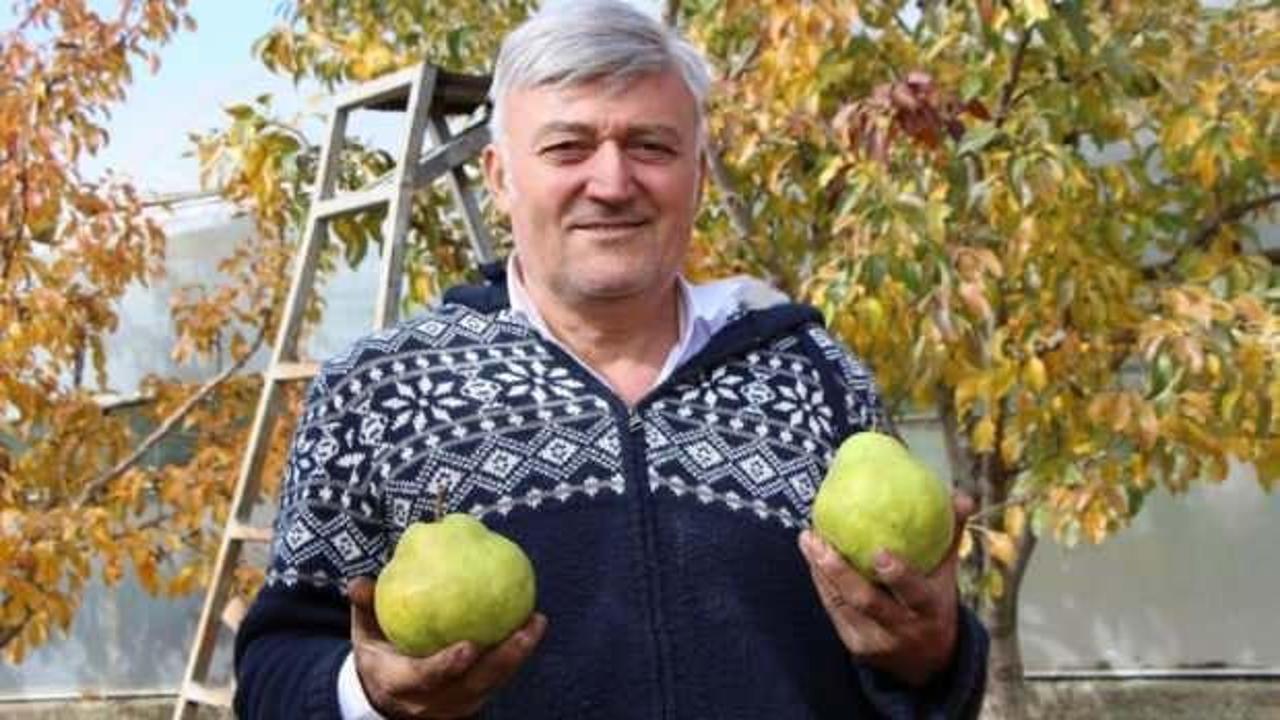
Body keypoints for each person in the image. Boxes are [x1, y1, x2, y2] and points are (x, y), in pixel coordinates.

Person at [232, 1, 989, 718]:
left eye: (651, 146)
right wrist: (371, 694)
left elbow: (922, 666)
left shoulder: (816, 374)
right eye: (568, 147)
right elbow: (274, 668)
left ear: (696, 173)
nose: (612, 182)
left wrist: (937, 652)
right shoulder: (377, 390)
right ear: (500, 177)